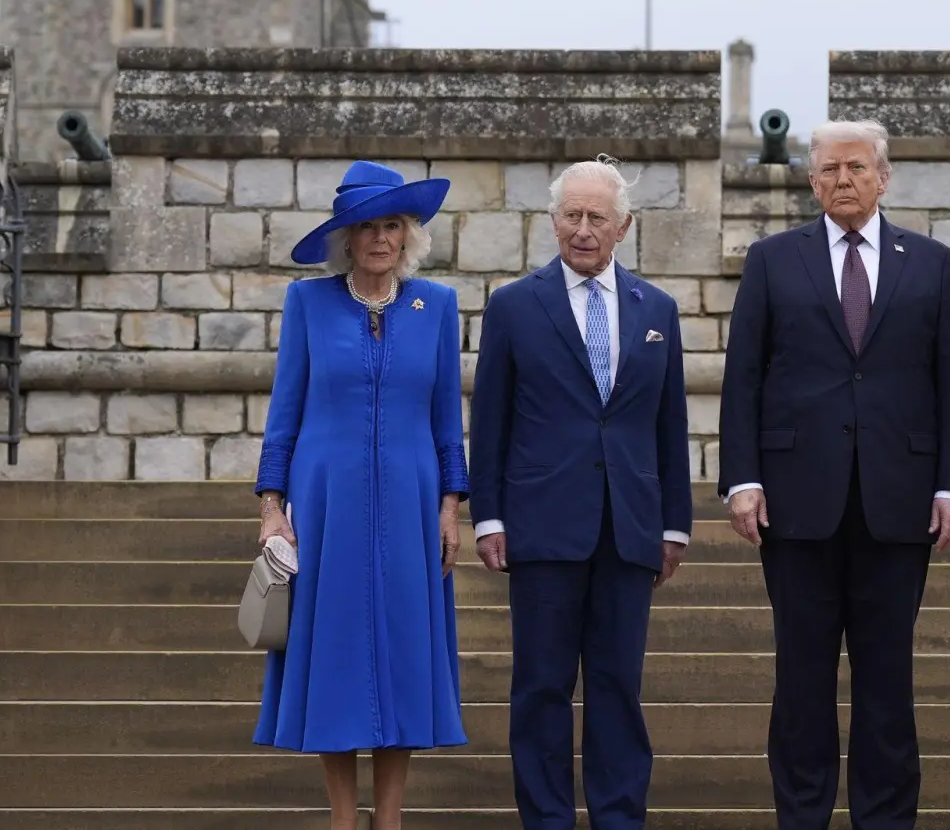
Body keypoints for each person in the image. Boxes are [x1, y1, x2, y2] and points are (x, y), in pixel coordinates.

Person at [717, 119, 950, 830]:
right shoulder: (774, 259)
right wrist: (742, 478)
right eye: (828, 169)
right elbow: (743, 377)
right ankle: (802, 817)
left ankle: (885, 819)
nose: (842, 181)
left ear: (883, 177)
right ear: (811, 181)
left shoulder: (930, 262)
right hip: (797, 504)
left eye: (856, 168)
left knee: (887, 680)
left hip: (899, 502)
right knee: (801, 680)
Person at [467, 156, 692, 830]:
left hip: (629, 528)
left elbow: (668, 422)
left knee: (619, 687)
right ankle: (546, 819)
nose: (584, 229)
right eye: (572, 215)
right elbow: (492, 418)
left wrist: (674, 524)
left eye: (598, 217)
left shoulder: (657, 309)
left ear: (624, 226)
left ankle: (620, 816)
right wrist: (488, 516)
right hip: (541, 526)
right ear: (553, 220)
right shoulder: (513, 305)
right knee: (540, 687)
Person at [252, 160, 469, 830]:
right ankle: (344, 819)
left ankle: (390, 820)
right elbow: (285, 410)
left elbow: (445, 418)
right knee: (337, 653)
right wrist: (270, 508)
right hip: (325, 503)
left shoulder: (437, 307)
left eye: (393, 226)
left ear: (408, 236)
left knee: (404, 651)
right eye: (367, 227)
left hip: (411, 501)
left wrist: (450, 504)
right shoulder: (307, 305)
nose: (381, 239)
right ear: (346, 238)